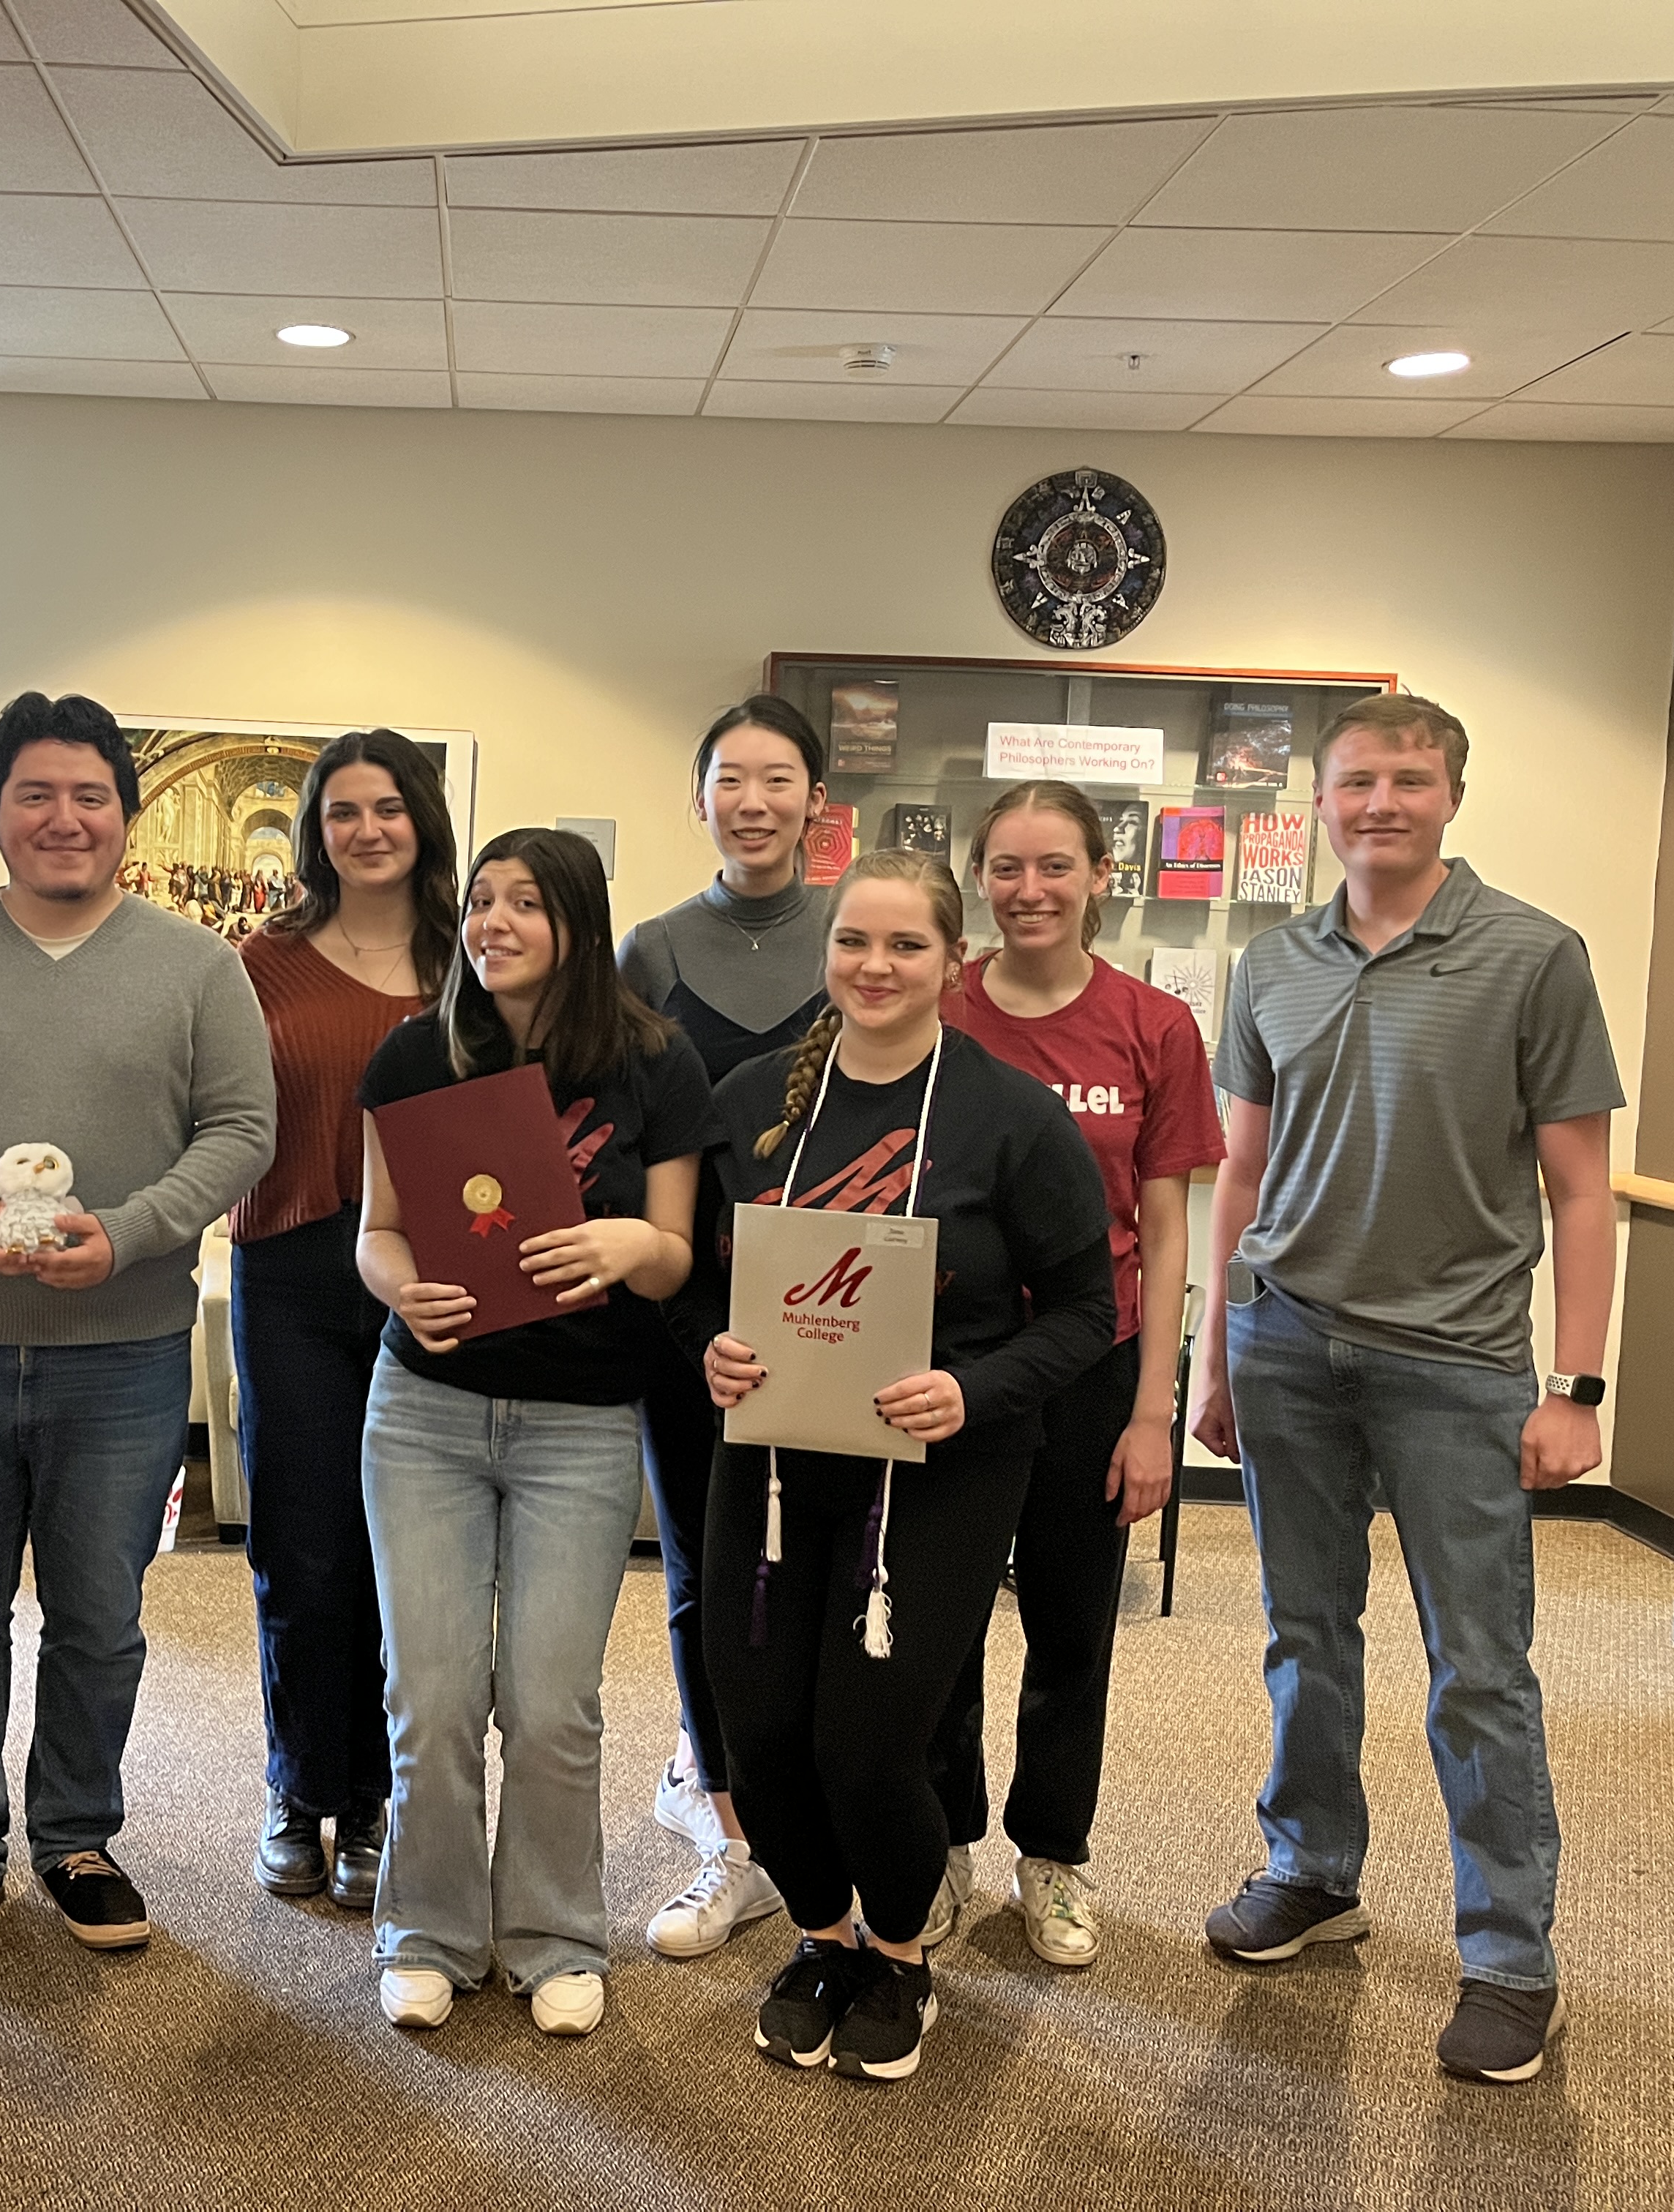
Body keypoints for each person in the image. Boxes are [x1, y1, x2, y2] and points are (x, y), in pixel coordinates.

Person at [1189, 694, 1621, 2087]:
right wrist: (1216, 1358)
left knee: (1478, 1669)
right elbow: (1241, 1176)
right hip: (1288, 1347)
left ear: (1452, 795)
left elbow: (1580, 1190)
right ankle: (1312, 1870)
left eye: (1411, 780)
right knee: (1305, 1634)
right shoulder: (1272, 965)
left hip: (1460, 1366)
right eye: (1357, 781)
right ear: (1317, 803)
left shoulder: (1535, 957)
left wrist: (1580, 1386)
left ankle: (1508, 1955)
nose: (1383, 801)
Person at [0, 691, 274, 1970]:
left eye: (90, 796)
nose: (63, 819)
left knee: (98, 1616)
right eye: (36, 794)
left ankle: (75, 1837)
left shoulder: (198, 967)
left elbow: (243, 1132)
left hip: (124, 1355)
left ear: (125, 818)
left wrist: (127, 1232)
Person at [694, 850, 1112, 2082]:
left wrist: (970, 1390)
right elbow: (700, 1273)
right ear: (827, 951)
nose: (875, 968)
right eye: (853, 943)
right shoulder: (753, 1097)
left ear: (950, 959)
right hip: (770, 1465)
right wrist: (708, 1349)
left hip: (939, 1467)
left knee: (870, 1745)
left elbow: (1087, 1310)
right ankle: (822, 1937)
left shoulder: (1010, 1116)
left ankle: (900, 1949)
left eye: (906, 947)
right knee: (761, 1733)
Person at [356, 827, 710, 2039]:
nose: (494, 923)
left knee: (552, 1703)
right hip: (426, 1413)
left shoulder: (656, 1064)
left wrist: (630, 1248)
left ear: (578, 920)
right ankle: (428, 1932)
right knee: (435, 1693)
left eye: (525, 904)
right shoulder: (417, 1055)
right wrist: (404, 1287)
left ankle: (558, 1934)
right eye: (483, 902)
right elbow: (377, 1232)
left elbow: (674, 1257)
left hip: (580, 1425)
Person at [926, 781, 1223, 1968]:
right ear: (979, 880)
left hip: (1092, 1367)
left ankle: (1048, 1861)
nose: (1030, 890)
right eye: (1006, 868)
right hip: (950, 1367)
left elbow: (1165, 1232)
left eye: (1056, 866)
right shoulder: (939, 1009)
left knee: (1070, 1627)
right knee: (938, 1621)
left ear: (1104, 874)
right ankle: (941, 1845)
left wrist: (1154, 1414)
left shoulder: (1154, 1028)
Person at [614, 697, 830, 1957]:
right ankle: (733, 1826)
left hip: (834, 1309)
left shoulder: (855, 935)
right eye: (729, 780)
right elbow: (628, 1131)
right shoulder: (653, 949)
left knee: (828, 1559)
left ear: (815, 799)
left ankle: (826, 1795)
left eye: (778, 778)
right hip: (689, 1308)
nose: (753, 801)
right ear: (699, 800)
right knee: (702, 1562)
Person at [233, 731, 458, 1909]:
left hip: (440, 1282)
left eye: (388, 809)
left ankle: (379, 1796)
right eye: (342, 811)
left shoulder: (477, 959)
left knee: (409, 1560)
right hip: (294, 1270)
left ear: (423, 819)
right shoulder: (259, 963)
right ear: (316, 827)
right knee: (303, 1548)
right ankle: (301, 1784)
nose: (367, 830)